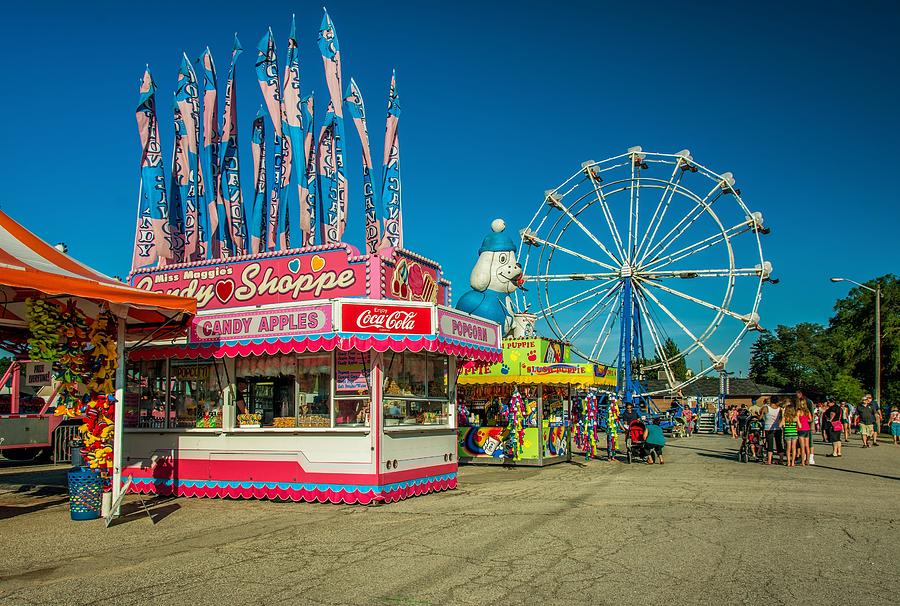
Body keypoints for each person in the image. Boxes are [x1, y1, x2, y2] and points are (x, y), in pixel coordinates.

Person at [760, 397, 783, 465]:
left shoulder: (766, 408)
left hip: (768, 428)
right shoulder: (780, 409)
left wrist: (758, 415)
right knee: (779, 443)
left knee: (770, 444)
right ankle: (781, 459)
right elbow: (781, 418)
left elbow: (761, 417)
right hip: (777, 428)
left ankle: (769, 460)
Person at [796, 400, 813, 466]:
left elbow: (797, 419)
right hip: (807, 428)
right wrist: (806, 420)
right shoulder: (807, 411)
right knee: (807, 446)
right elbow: (811, 419)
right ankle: (807, 461)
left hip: (801, 429)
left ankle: (802, 461)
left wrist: (800, 423)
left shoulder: (799, 411)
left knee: (802, 447)